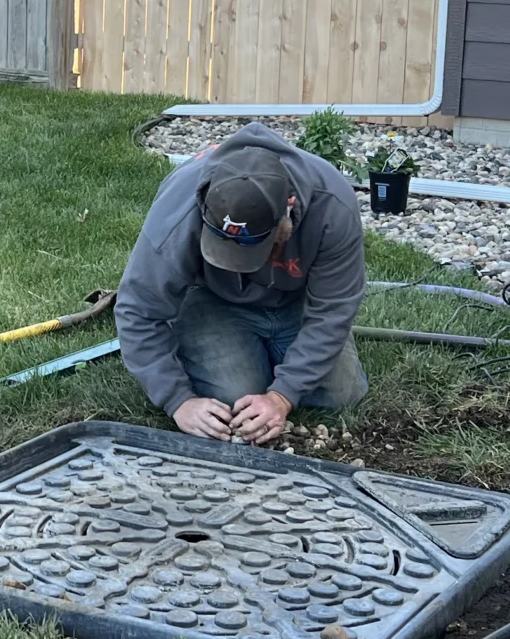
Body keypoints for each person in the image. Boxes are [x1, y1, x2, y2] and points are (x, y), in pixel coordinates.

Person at [116, 123, 367, 445]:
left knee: (342, 393)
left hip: (295, 300)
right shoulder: (177, 212)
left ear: (288, 207)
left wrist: (282, 396)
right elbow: (137, 309)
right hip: (213, 299)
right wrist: (177, 400)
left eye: (259, 248)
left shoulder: (332, 204)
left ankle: (278, 357)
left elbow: (333, 311)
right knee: (234, 398)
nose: (241, 261)